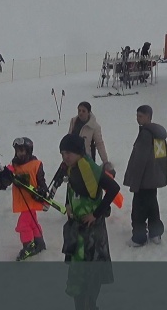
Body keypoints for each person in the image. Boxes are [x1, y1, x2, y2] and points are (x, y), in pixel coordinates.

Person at [59, 133, 120, 310]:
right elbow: (71, 187)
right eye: (62, 153)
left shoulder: (90, 169)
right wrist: (68, 204)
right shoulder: (73, 168)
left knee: (91, 275)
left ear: (79, 152)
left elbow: (114, 188)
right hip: (77, 232)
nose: (65, 157)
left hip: (92, 234)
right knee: (79, 276)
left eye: (68, 153)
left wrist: (96, 213)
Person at [123, 105, 167, 247]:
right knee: (152, 206)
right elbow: (161, 157)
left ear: (148, 117)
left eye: (140, 116)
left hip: (143, 180)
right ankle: (155, 233)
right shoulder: (158, 134)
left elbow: (140, 161)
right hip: (153, 179)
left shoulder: (145, 134)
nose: (137, 119)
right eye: (137, 116)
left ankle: (139, 237)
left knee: (138, 209)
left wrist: (135, 183)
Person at [5, 136, 49, 260]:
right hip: (22, 201)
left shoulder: (36, 164)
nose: (20, 154)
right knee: (32, 222)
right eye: (17, 151)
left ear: (29, 151)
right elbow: (7, 177)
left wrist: (43, 191)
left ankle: (28, 246)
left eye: (22, 151)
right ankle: (39, 242)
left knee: (23, 224)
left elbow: (41, 181)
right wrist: (5, 174)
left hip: (32, 200)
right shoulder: (14, 164)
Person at [50, 101, 109, 191]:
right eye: (79, 110)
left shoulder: (94, 126)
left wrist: (105, 161)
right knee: (71, 180)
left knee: (84, 182)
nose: (80, 113)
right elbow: (69, 138)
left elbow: (99, 144)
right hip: (72, 157)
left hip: (85, 159)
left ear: (89, 112)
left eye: (83, 111)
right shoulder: (73, 121)